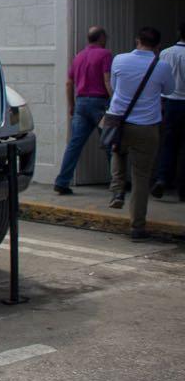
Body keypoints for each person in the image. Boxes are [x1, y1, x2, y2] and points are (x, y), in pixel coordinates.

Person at [107, 26, 175, 241]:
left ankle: (117, 189)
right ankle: (137, 226)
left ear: (137, 40)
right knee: (141, 177)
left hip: (117, 120)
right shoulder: (161, 65)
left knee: (117, 150)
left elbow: (116, 87)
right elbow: (169, 90)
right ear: (157, 46)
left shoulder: (119, 59)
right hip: (147, 125)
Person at [53, 26, 112, 195]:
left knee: (74, 144)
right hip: (99, 104)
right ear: (101, 38)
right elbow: (107, 80)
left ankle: (62, 181)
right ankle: (117, 182)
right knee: (109, 142)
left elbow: (69, 83)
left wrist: (71, 104)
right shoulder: (105, 54)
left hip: (81, 103)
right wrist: (115, 101)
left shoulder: (78, 56)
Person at [152, 21, 185, 200]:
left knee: (168, 143)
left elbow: (159, 79)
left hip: (170, 102)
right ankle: (183, 187)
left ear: (179, 32)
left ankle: (163, 178)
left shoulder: (165, 53)